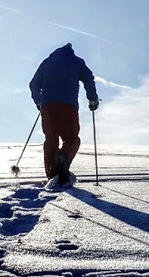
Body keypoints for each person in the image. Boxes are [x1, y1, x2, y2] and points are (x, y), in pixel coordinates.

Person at [29, 43, 99, 190]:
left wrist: (39, 102)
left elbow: (34, 84)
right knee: (72, 139)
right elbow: (88, 79)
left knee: (51, 140)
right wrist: (93, 99)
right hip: (68, 105)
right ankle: (64, 157)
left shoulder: (47, 63)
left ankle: (53, 174)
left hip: (48, 106)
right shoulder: (76, 61)